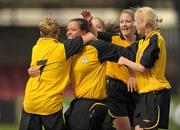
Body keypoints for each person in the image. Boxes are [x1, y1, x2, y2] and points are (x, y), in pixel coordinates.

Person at [28, 17, 133, 130]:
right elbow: (47, 66)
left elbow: (127, 53)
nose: (69, 32)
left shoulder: (97, 47)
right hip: (78, 103)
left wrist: (132, 74)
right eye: (68, 29)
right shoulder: (69, 51)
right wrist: (32, 69)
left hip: (94, 104)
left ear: (84, 32)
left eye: (73, 29)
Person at [19, 16, 95, 130]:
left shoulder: (35, 48)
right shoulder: (63, 49)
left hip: (30, 102)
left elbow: (36, 68)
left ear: (41, 33)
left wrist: (29, 70)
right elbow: (90, 36)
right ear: (58, 31)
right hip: (50, 105)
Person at [81, 9, 139, 130]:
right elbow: (95, 34)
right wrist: (90, 22)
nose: (124, 24)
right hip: (115, 89)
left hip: (137, 88)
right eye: (121, 21)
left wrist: (133, 76)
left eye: (127, 21)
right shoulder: (112, 38)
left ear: (135, 23)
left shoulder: (142, 41)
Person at [118, 7, 171, 130]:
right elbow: (124, 51)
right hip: (144, 94)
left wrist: (124, 61)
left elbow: (143, 68)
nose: (134, 24)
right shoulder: (143, 41)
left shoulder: (156, 39)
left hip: (155, 93)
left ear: (144, 22)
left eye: (136, 21)